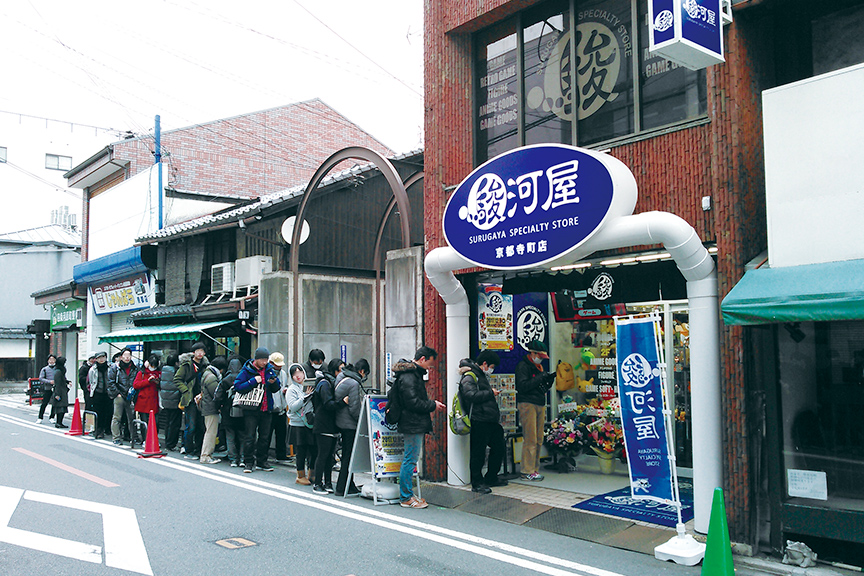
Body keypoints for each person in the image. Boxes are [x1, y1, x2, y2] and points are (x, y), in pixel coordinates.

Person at [392, 346, 446, 509]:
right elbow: (412, 402)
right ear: (422, 359)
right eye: (429, 364)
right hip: (412, 423)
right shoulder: (410, 376)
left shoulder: (409, 374)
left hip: (411, 422)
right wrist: (432, 404)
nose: (429, 368)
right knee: (410, 459)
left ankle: (408, 495)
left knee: (410, 459)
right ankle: (406, 497)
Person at [458, 350, 506, 494]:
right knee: (478, 452)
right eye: (491, 366)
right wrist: (491, 393)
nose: (492, 369)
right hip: (479, 419)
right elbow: (470, 395)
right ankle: (477, 483)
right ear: (484, 364)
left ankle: (491, 476)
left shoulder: (480, 375)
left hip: (489, 419)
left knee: (499, 446)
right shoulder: (470, 375)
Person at [234, 347, 282, 473]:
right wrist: (253, 381)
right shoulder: (247, 370)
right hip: (251, 408)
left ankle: (262, 461)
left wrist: (274, 382)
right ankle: (248, 462)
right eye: (262, 360)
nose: (265, 362)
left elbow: (276, 388)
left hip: (267, 408)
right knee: (250, 436)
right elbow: (238, 386)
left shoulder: (270, 370)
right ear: (256, 359)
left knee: (265, 437)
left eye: (266, 359)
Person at [515, 340, 555, 482]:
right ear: (532, 353)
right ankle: (527, 470)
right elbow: (522, 386)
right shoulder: (523, 366)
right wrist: (540, 378)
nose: (541, 360)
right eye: (540, 356)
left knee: (539, 438)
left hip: (539, 402)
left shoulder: (538, 367)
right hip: (527, 404)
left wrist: (547, 381)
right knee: (530, 438)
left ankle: (534, 469)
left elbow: (538, 385)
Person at [334, 359, 368, 496]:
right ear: (361, 371)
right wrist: (362, 420)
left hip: (341, 421)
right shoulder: (353, 383)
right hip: (349, 424)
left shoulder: (342, 377)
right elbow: (354, 408)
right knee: (348, 455)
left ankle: (349, 484)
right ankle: (342, 487)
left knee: (347, 455)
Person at [311, 358, 344, 494]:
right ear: (334, 370)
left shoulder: (332, 382)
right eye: (341, 369)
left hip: (331, 425)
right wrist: (343, 402)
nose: (342, 372)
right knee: (323, 455)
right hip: (323, 424)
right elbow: (328, 404)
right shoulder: (324, 384)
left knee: (329, 456)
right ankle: (318, 483)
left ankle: (328, 483)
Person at [175, 342, 208, 459]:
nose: (200, 353)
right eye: (197, 351)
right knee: (191, 426)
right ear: (193, 353)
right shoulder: (187, 365)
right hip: (190, 399)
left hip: (202, 399)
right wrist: (185, 391)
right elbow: (177, 379)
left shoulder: (205, 366)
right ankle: (188, 450)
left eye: (202, 351)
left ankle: (198, 450)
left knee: (201, 426)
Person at [286, 362, 315, 485]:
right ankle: (300, 475)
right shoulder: (291, 390)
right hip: (297, 424)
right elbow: (292, 407)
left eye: (300, 372)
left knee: (312, 449)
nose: (298, 376)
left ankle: (312, 474)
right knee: (300, 450)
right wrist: (305, 397)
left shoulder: (309, 386)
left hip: (309, 423)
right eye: (294, 374)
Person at [215, 355, 245, 467]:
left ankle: (233, 459)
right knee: (243, 436)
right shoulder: (244, 379)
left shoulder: (225, 380)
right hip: (242, 411)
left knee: (230, 436)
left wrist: (219, 407)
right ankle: (242, 458)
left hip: (227, 411)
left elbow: (218, 397)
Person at [108, 348, 140, 448]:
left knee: (132, 417)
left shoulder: (135, 368)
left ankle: (133, 437)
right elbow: (110, 382)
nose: (127, 358)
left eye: (129, 355)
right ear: (121, 357)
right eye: (125, 355)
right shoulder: (115, 367)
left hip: (131, 395)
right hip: (119, 395)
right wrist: (117, 393)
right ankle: (116, 437)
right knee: (117, 417)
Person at [198, 356, 227, 464]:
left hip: (207, 407)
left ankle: (206, 455)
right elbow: (216, 394)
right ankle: (205, 456)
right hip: (211, 408)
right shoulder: (211, 377)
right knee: (211, 432)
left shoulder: (207, 373)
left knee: (209, 431)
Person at [267, 352, 290, 465]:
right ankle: (264, 455)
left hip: (281, 407)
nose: (279, 366)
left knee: (281, 433)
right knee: (267, 433)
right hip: (270, 409)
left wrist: (285, 390)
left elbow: (284, 386)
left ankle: (281, 455)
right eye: (277, 364)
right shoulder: (267, 373)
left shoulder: (283, 374)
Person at [159, 354, 182, 451]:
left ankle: (167, 441)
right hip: (175, 400)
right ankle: (171, 443)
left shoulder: (163, 370)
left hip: (166, 400)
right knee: (175, 423)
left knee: (168, 422)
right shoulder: (176, 371)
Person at [87, 351, 112, 439]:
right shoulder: (93, 369)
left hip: (108, 393)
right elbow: (90, 381)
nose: (101, 359)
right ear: (96, 359)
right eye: (99, 358)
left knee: (108, 412)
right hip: (97, 393)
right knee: (98, 412)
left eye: (103, 357)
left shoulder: (110, 367)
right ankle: (99, 430)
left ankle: (107, 428)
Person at [133, 354, 161, 426]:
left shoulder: (159, 374)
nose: (153, 368)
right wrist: (148, 381)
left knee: (155, 423)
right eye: (152, 366)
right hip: (143, 402)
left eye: (154, 366)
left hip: (154, 402)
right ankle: (144, 437)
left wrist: (158, 382)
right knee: (144, 423)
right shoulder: (141, 373)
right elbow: (136, 385)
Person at [36, 354, 57, 423]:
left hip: (56, 388)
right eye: (50, 359)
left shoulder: (57, 368)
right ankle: (40, 417)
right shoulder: (45, 369)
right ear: (48, 360)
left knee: (54, 403)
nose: (52, 361)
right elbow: (41, 378)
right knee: (44, 403)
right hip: (47, 388)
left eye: (53, 359)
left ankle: (52, 417)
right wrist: (49, 381)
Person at [51, 356, 70, 429]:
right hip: (60, 391)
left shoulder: (59, 370)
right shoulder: (58, 371)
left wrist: (67, 382)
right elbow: (57, 383)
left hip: (62, 390)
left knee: (62, 407)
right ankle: (58, 422)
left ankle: (59, 422)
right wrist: (57, 394)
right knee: (60, 407)